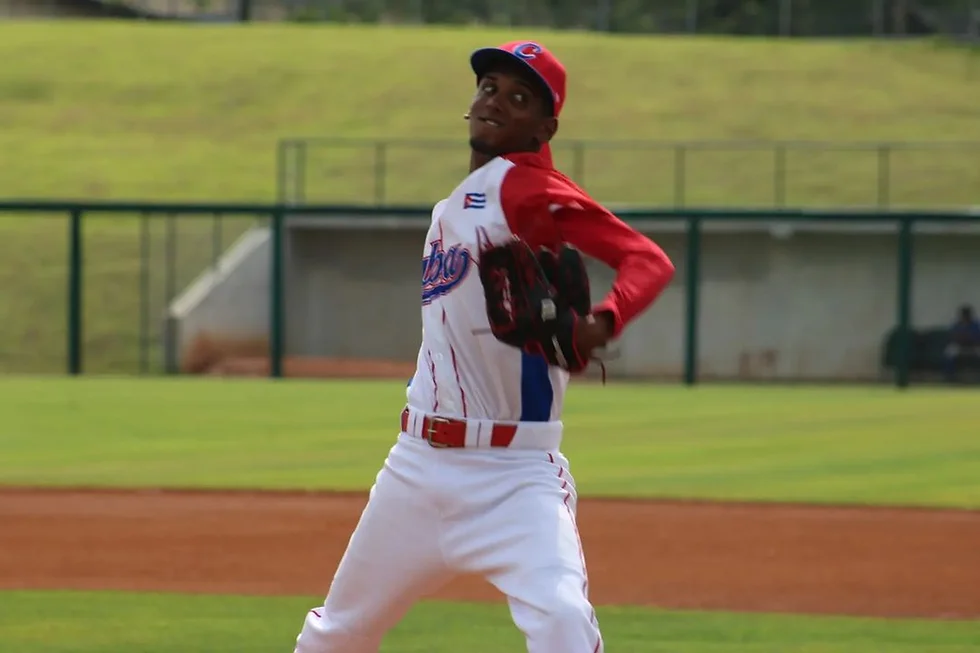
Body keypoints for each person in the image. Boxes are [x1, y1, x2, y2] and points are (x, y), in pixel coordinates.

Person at [292, 40, 675, 653]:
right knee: (337, 634)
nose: (495, 101)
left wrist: (604, 320)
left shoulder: (523, 188)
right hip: (416, 466)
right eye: (489, 88)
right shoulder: (455, 204)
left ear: (544, 127)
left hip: (514, 475)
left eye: (519, 98)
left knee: (561, 622)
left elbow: (646, 260)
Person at [943, 304, 980, 382]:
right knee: (948, 353)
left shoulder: (975, 324)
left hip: (973, 346)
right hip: (959, 346)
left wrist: (969, 337)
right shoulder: (957, 324)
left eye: (967, 314)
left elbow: (977, 336)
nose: (965, 316)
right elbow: (952, 336)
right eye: (964, 314)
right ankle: (949, 376)